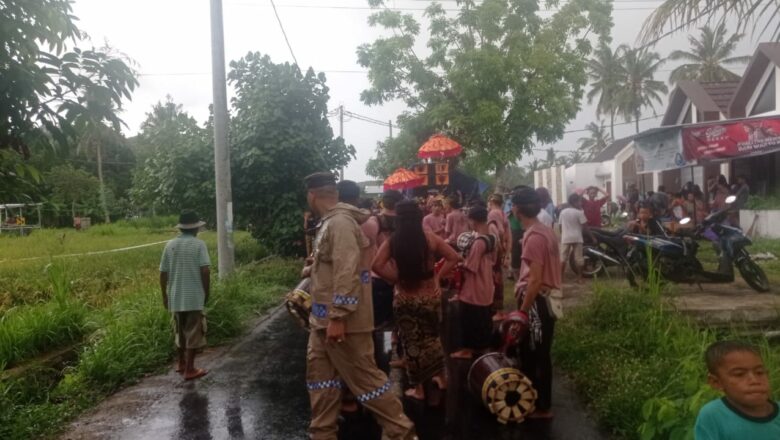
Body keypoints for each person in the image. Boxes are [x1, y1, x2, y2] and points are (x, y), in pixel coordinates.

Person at [301, 172, 415, 440]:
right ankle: (322, 433)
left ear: (312, 195)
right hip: (322, 322)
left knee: (367, 382)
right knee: (321, 382)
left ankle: (402, 433)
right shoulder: (331, 222)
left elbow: (347, 270)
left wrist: (339, 317)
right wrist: (313, 268)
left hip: (342, 323)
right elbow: (336, 265)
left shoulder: (339, 223)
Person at [372, 200, 460, 402]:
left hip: (405, 298)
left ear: (399, 220)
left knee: (412, 343)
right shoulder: (429, 239)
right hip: (430, 297)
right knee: (434, 338)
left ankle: (419, 389)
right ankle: (441, 378)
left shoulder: (393, 241)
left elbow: (376, 265)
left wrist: (395, 280)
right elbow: (454, 257)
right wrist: (437, 277)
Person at [512, 187, 561, 419]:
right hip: (547, 298)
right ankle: (537, 400)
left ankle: (542, 406)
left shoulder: (533, 238)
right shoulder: (547, 231)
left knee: (535, 352)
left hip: (536, 302)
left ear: (516, 209)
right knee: (537, 351)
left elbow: (535, 280)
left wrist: (522, 312)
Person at [159, 210, 211, 381]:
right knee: (193, 333)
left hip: (175, 296)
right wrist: (206, 292)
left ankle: (181, 363)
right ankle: (190, 369)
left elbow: (163, 273)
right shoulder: (199, 245)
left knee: (179, 332)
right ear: (196, 228)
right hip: (194, 296)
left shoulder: (170, 245)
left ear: (181, 228)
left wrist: (165, 296)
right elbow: (205, 270)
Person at [694, 341, 780, 439]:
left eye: (759, 372)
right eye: (739, 374)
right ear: (716, 382)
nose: (754, 380)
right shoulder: (713, 415)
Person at [450, 206, 498, 359]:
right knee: (484, 318)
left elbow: (471, 267)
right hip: (486, 283)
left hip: (474, 287)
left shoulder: (478, 242)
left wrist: (460, 262)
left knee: (471, 318)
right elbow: (494, 260)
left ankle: (469, 350)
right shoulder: (491, 237)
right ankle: (483, 347)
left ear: (472, 220)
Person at [364, 190, 403, 329]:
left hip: (379, 275)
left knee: (378, 322)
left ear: (382, 202)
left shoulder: (374, 221)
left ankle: (380, 348)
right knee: (399, 320)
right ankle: (394, 345)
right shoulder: (405, 221)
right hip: (402, 275)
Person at [488, 194, 511, 320]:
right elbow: (508, 233)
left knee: (495, 279)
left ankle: (497, 311)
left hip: (496, 251)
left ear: (491, 202)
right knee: (498, 278)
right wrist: (506, 251)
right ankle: (499, 309)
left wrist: (500, 244)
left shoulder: (492, 213)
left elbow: (501, 232)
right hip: (501, 250)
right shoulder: (503, 213)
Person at [559, 193, 590, 283]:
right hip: (577, 237)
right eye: (580, 201)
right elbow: (585, 227)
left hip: (566, 237)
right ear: (575, 202)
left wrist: (563, 235)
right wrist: (592, 237)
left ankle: (561, 278)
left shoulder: (563, 212)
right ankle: (579, 278)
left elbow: (560, 226)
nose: (581, 203)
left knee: (563, 258)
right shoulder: (579, 212)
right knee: (579, 258)